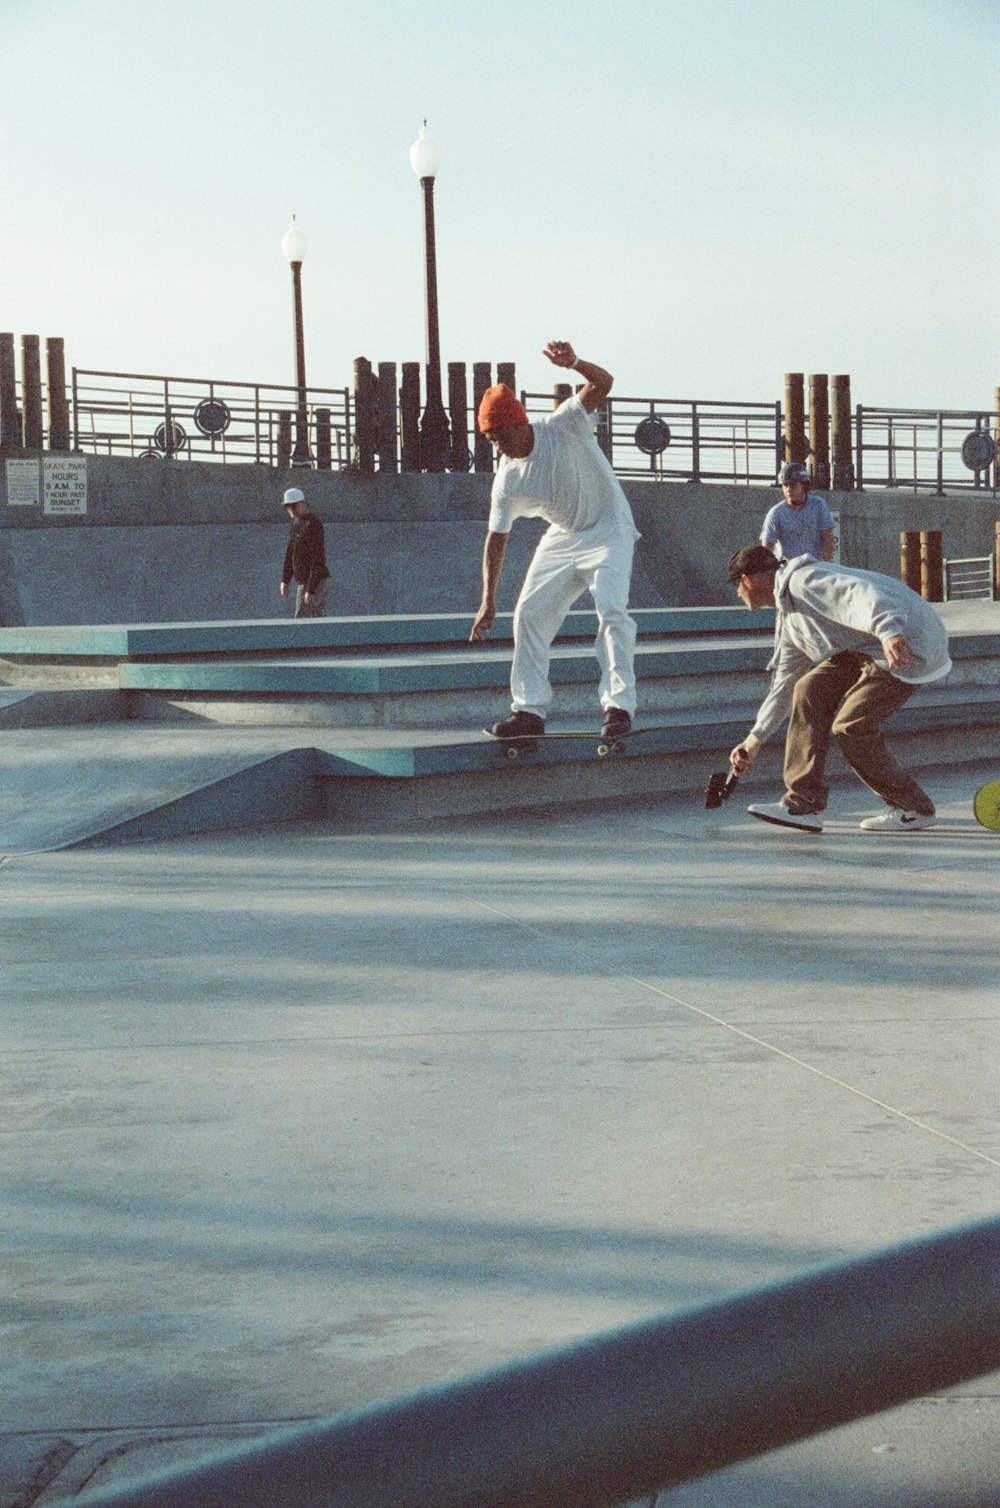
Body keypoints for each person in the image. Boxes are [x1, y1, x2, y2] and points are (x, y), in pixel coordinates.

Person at [469, 340, 640, 741]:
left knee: (612, 611)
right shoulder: (508, 479)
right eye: (490, 439)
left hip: (610, 529)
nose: (497, 445)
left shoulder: (565, 423)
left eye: (499, 435)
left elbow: (604, 382)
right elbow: (497, 539)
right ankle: (528, 711)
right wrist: (488, 599)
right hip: (564, 537)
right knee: (528, 612)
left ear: (518, 423)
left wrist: (575, 363)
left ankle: (619, 706)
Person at [726, 544, 951, 833]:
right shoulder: (790, 617)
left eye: (736, 586)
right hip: (868, 648)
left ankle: (914, 807)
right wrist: (753, 740)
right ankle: (803, 805)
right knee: (807, 689)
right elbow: (783, 683)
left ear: (748, 580)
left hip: (911, 645)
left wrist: (889, 632)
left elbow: (860, 593)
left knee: (851, 726)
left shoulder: (803, 580)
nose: (737, 594)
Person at [761, 461, 836, 562]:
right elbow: (766, 549)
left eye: (793, 485)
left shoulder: (818, 505)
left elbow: (828, 540)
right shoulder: (776, 513)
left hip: (816, 568)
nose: (788, 489)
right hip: (789, 571)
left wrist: (825, 566)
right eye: (785, 485)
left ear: (804, 486)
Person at [279, 486, 329, 618]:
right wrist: (285, 580)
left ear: (301, 504)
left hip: (315, 581)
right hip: (303, 581)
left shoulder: (313, 524)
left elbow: (317, 559)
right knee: (307, 618)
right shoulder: (296, 523)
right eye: (287, 507)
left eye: (292, 506)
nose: (290, 510)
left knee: (305, 619)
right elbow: (291, 552)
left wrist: (310, 590)